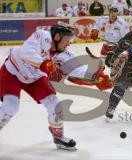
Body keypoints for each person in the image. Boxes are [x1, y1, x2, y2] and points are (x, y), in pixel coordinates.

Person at [0, 22, 76, 150]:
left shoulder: (65, 53)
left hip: (34, 78)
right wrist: (45, 64)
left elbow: (78, 70)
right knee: (11, 106)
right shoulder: (42, 35)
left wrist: (97, 77)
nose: (69, 44)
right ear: (57, 37)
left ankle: (58, 135)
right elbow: (26, 52)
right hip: (12, 71)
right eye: (67, 40)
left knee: (55, 104)